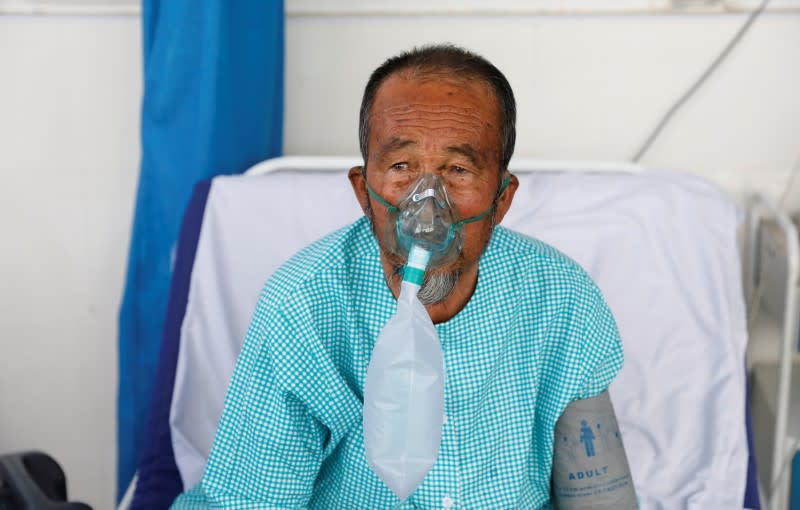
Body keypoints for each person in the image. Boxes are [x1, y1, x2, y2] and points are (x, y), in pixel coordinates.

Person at [171, 44, 636, 509]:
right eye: (401, 167)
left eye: (458, 170)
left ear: (502, 199)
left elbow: (599, 495)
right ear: (363, 191)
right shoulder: (304, 306)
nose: (427, 209)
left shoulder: (559, 298)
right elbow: (253, 501)